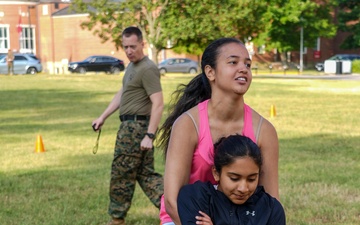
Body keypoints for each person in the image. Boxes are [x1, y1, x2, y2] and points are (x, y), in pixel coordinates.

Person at [158, 37, 279, 225]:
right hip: (185, 218)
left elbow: (271, 204)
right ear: (210, 72)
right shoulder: (188, 124)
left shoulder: (264, 131)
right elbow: (173, 202)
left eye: (247, 64)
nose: (243, 69)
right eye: (233, 62)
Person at [92, 26, 164, 225]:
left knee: (121, 174)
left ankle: (117, 220)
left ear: (143, 44)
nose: (129, 51)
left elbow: (158, 104)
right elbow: (123, 93)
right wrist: (103, 117)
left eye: (133, 46)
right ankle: (175, 208)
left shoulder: (148, 69)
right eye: (126, 47)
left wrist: (149, 136)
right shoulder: (132, 67)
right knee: (146, 175)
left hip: (136, 130)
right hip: (130, 127)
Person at [177, 134, 286, 225]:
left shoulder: (270, 209)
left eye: (252, 179)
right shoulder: (196, 197)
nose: (243, 188)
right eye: (234, 178)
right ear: (216, 173)